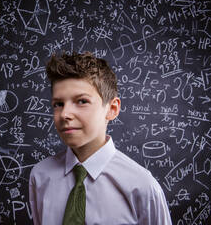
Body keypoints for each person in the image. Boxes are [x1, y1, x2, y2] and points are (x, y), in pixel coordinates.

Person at [29, 52, 172, 225]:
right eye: (58, 104)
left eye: (81, 101)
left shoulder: (141, 186)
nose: (65, 114)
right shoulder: (41, 176)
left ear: (112, 109)